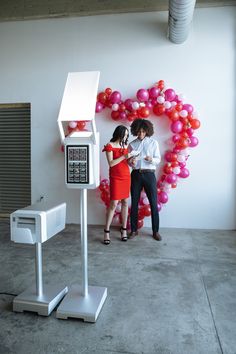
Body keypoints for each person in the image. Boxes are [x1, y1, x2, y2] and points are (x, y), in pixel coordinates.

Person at [128, 118, 162, 241]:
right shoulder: (132, 145)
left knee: (153, 202)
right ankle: (133, 230)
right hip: (136, 175)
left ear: (147, 131)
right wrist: (131, 162)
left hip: (149, 174)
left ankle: (155, 231)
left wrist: (151, 159)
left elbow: (158, 160)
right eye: (139, 131)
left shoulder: (153, 143)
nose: (141, 134)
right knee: (134, 202)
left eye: (143, 131)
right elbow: (129, 162)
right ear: (135, 131)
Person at [102, 125, 133, 245]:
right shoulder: (110, 145)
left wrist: (131, 161)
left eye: (126, 135)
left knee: (125, 202)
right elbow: (111, 163)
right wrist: (124, 156)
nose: (125, 137)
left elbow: (126, 162)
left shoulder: (125, 146)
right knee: (114, 203)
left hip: (126, 175)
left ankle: (124, 229)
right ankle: (106, 231)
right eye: (123, 135)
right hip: (115, 177)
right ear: (118, 134)